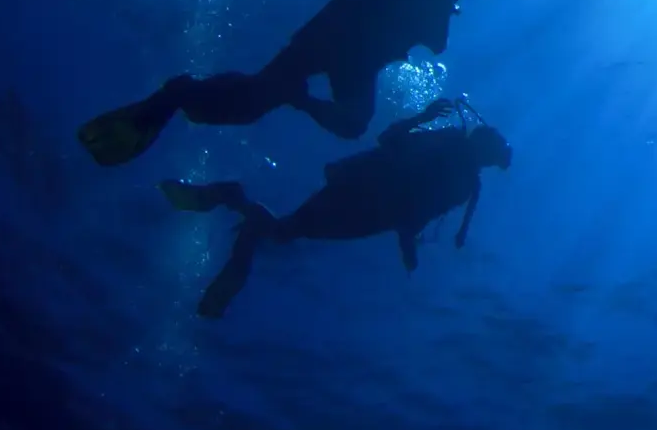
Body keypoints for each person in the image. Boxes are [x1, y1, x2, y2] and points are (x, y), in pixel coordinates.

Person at [76, 0, 474, 166]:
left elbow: (428, 35)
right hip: (335, 42)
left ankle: (186, 96)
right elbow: (433, 37)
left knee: (334, 119)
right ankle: (178, 95)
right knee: (259, 101)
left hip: (347, 52)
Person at [158, 96, 514, 318]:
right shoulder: (461, 178)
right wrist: (409, 250)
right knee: (284, 233)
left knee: (285, 231)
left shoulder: (452, 153)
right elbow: (414, 214)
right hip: (365, 209)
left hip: (355, 190)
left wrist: (423, 117)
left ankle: (235, 206)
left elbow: (390, 145)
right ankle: (235, 206)